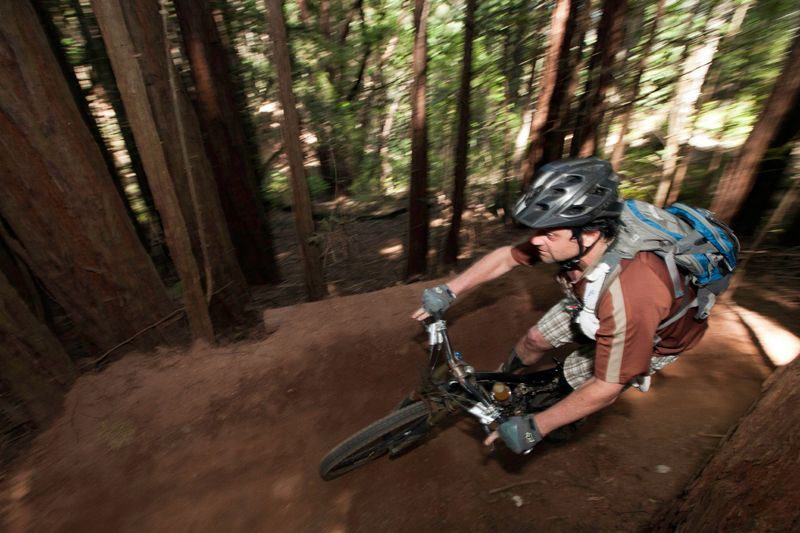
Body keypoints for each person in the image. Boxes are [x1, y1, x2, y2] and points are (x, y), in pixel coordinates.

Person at [412, 157, 708, 454]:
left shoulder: (632, 293)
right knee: (534, 339)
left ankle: (553, 413)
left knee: (568, 381)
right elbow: (506, 257)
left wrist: (535, 428)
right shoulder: (577, 239)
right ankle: (507, 380)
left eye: (549, 234)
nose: (536, 241)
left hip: (652, 336)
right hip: (590, 299)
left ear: (590, 234)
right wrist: (449, 290)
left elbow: (606, 387)